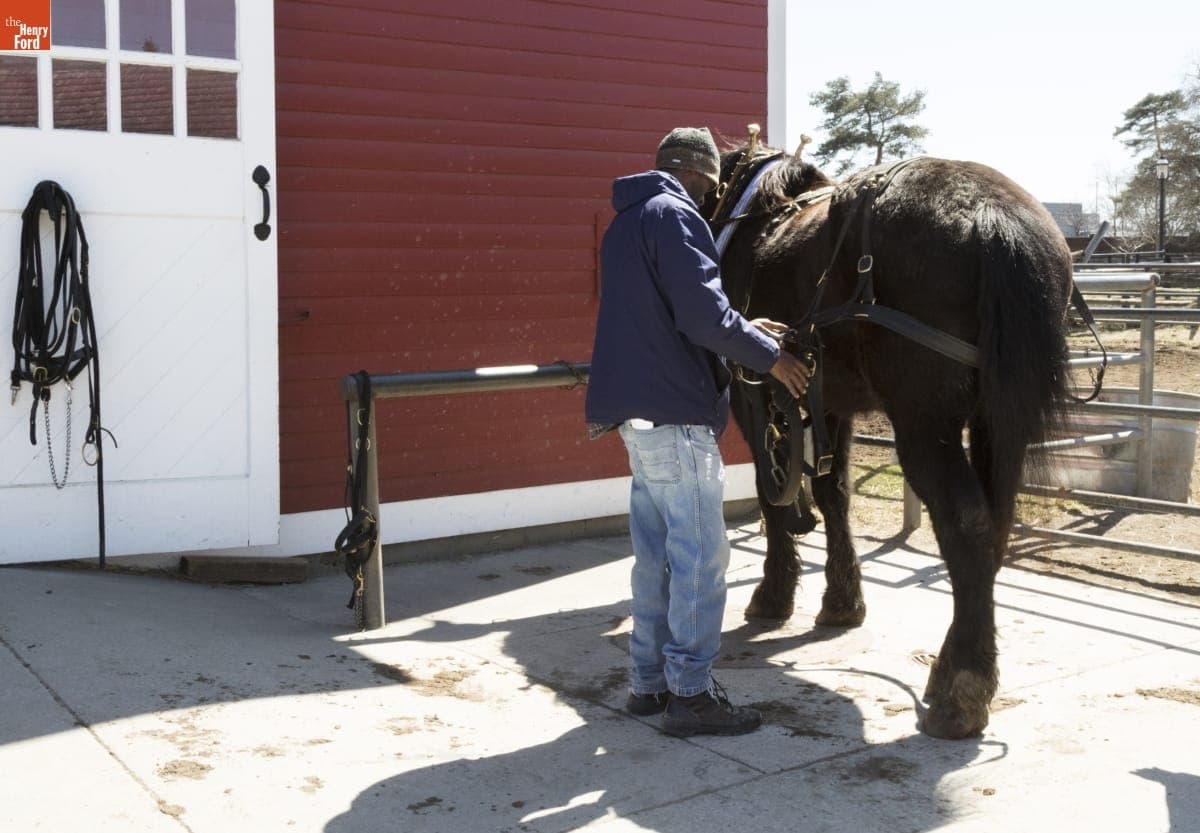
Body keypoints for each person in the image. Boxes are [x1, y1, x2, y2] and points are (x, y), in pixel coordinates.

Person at [585, 127, 811, 736]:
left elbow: (676, 313)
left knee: (655, 558)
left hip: (638, 417)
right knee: (701, 561)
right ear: (701, 176)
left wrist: (743, 325)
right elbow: (701, 315)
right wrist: (772, 355)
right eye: (711, 188)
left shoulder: (629, 221)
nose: (711, 199)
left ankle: (649, 684)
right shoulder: (677, 216)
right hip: (678, 419)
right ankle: (691, 694)